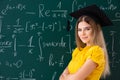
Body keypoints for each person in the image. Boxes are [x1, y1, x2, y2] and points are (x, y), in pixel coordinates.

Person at [59, 4, 113, 80]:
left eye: (87, 29)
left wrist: (68, 77)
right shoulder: (78, 51)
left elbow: (75, 79)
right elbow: (61, 77)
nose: (82, 33)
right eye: (79, 30)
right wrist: (69, 77)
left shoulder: (97, 52)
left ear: (95, 30)